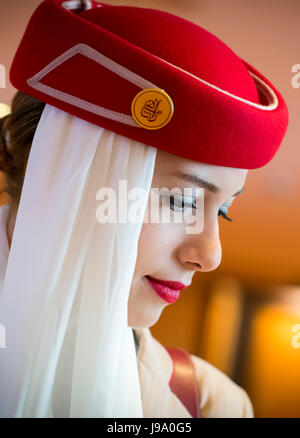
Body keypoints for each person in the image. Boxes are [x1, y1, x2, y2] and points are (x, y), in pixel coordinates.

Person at [0, 0, 288, 418]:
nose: (210, 255)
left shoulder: (211, 407)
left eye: (223, 211)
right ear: (64, 170)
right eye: (182, 200)